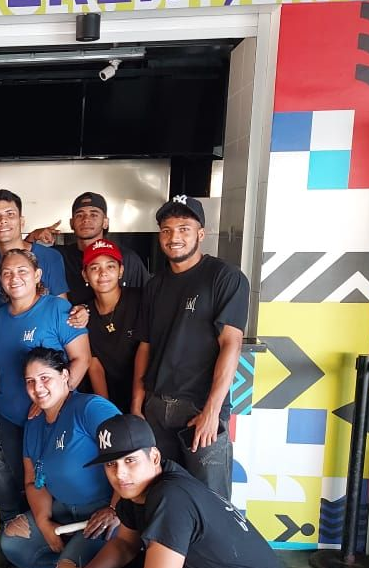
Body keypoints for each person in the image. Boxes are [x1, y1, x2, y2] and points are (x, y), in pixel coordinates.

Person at [64, 415, 294, 568]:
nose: (120, 473)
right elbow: (125, 545)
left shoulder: (170, 496)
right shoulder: (138, 490)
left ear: (154, 457)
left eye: (130, 460)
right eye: (110, 464)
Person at [0, 248, 91, 568]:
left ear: (37, 275)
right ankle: (19, 547)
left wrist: (53, 401)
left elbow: (82, 358)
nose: (14, 278)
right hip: (7, 416)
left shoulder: (58, 309)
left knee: (49, 481)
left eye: (22, 271)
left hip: (50, 420)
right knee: (9, 481)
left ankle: (59, 548)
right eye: (7, 273)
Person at [134, 195, 249, 498]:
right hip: (156, 409)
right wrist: (137, 404)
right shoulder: (154, 285)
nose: (174, 237)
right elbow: (145, 346)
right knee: (162, 496)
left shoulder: (225, 277)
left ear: (201, 234)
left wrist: (212, 411)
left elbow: (231, 344)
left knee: (210, 500)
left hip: (199, 409)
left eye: (184, 229)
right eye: (167, 230)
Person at [0, 347, 121, 568]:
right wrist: (44, 523)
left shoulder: (90, 407)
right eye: (30, 381)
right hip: (64, 511)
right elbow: (32, 480)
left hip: (104, 513)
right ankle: (76, 561)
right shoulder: (34, 423)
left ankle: (88, 564)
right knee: (12, 542)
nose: (38, 388)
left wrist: (114, 509)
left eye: (45, 378)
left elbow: (130, 454)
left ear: (65, 375)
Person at [26, 192, 150, 303]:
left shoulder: (127, 258)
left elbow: (148, 299)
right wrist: (31, 238)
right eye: (80, 215)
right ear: (71, 223)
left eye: (94, 215)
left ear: (105, 222)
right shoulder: (57, 256)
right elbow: (21, 259)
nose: (86, 219)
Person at [81, 239, 144, 413]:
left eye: (110, 266)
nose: (103, 273)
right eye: (94, 268)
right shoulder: (84, 315)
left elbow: (147, 350)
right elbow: (94, 365)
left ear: (121, 270)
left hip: (146, 397)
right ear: (85, 275)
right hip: (110, 399)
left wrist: (137, 405)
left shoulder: (141, 300)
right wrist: (107, 411)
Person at [0, 189, 69, 303]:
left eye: (10, 214)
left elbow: (61, 306)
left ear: (21, 222)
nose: (3, 220)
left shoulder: (50, 257)